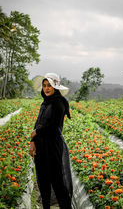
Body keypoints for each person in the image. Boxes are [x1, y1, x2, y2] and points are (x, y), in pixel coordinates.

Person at [29, 73, 73, 209]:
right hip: (41, 146)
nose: (46, 88)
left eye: (50, 86)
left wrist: (37, 132)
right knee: (43, 181)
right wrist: (33, 141)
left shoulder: (59, 103)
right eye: (44, 86)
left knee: (57, 181)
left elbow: (54, 127)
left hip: (53, 146)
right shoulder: (45, 103)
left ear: (56, 88)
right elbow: (38, 123)